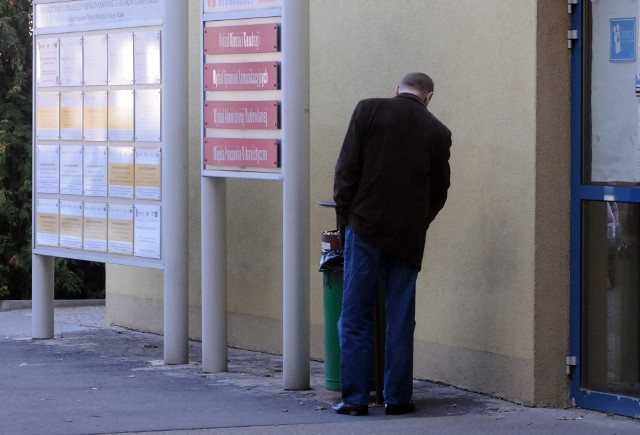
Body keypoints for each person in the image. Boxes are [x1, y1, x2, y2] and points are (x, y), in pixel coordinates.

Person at [331, 72, 451, 416]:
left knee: (355, 314)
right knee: (400, 317)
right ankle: (398, 399)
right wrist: (418, 222)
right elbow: (439, 192)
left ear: (396, 90)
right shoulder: (438, 132)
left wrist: (345, 220)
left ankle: (354, 399)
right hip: (407, 237)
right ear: (428, 97)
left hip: (365, 226)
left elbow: (346, 171)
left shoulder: (368, 111)